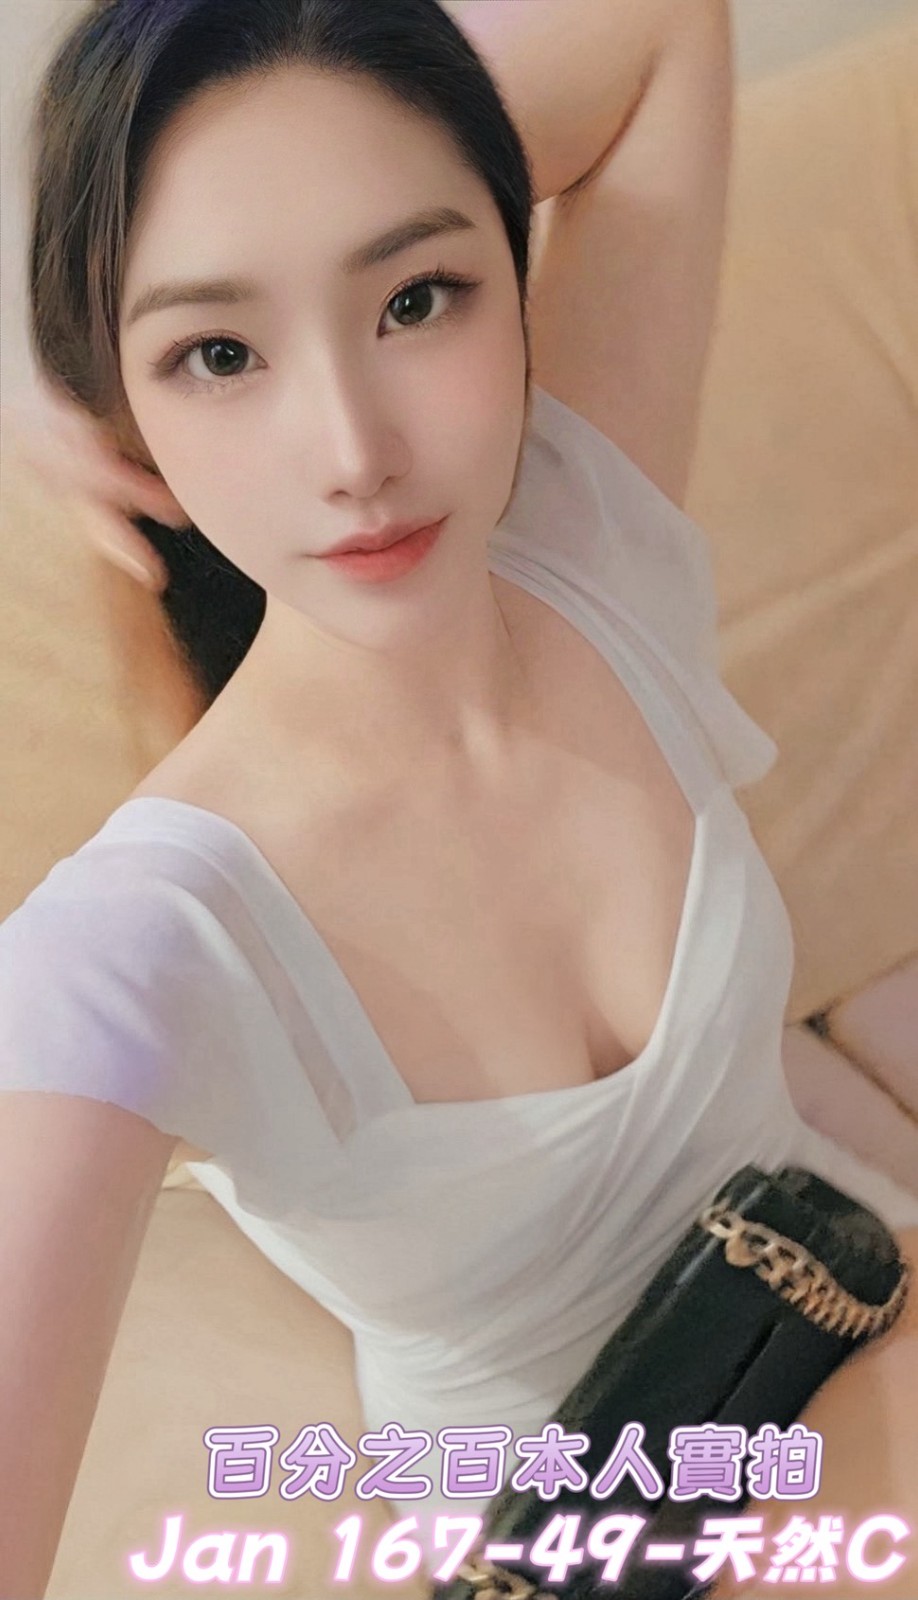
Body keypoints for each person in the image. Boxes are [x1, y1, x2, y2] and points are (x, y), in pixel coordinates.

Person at [1, 1, 917, 1594]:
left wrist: (68, 346)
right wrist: (60, 335)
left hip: (843, 1288)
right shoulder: (145, 942)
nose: (352, 450)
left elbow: (653, 23)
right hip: (606, 1535)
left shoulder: (580, 532)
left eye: (415, 298)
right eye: (218, 355)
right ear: (126, 396)